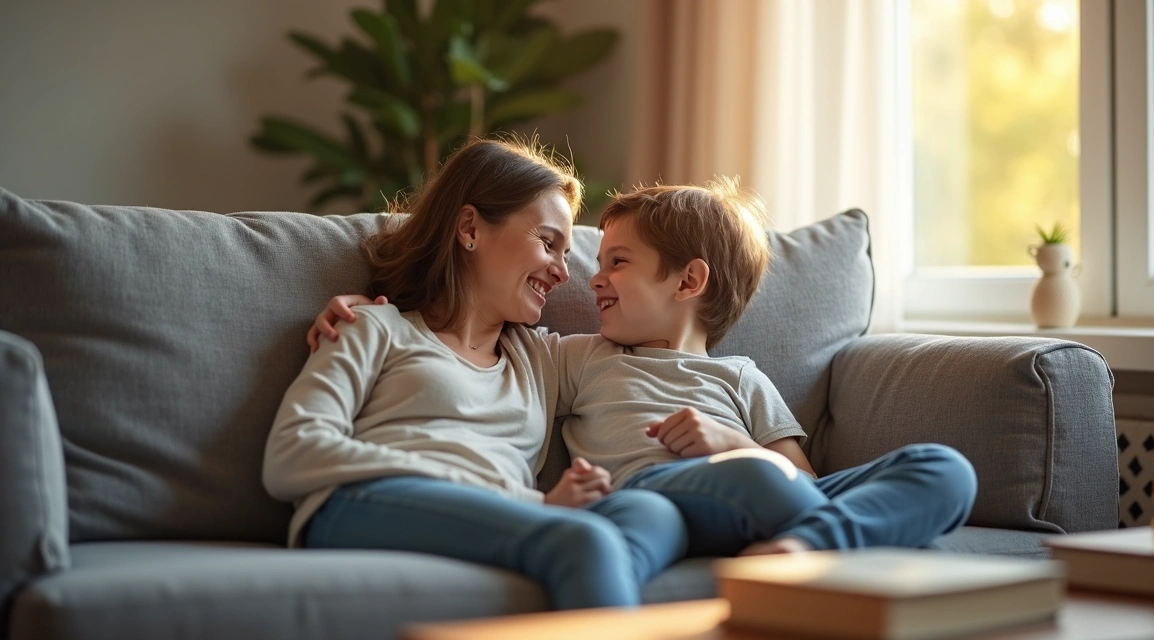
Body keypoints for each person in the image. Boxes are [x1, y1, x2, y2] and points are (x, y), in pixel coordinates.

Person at [312, 177, 978, 559]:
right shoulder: (575, 357)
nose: (592, 279)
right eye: (598, 263)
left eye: (617, 262)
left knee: (946, 469)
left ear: (689, 281)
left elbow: (800, 479)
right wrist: (372, 308)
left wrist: (737, 443)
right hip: (649, 500)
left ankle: (802, 553)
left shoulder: (743, 378)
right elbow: (466, 327)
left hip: (763, 494)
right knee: (719, 499)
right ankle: (828, 553)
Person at [262, 137, 688, 611]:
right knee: (584, 540)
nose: (563, 273)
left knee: (653, 511)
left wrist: (743, 445)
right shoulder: (375, 327)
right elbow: (290, 455)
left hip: (501, 518)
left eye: (567, 254)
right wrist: (526, 502)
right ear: (470, 227)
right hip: (361, 503)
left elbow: (663, 354)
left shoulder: (544, 359)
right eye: (548, 243)